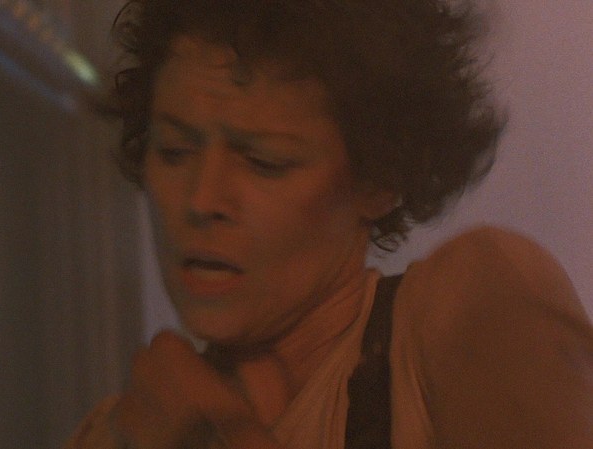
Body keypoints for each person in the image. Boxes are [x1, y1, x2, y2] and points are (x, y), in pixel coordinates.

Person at [66, 0, 593, 448]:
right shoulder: (113, 435)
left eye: (265, 162)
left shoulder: (467, 309)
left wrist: (221, 435)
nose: (202, 200)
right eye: (174, 151)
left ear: (378, 180)